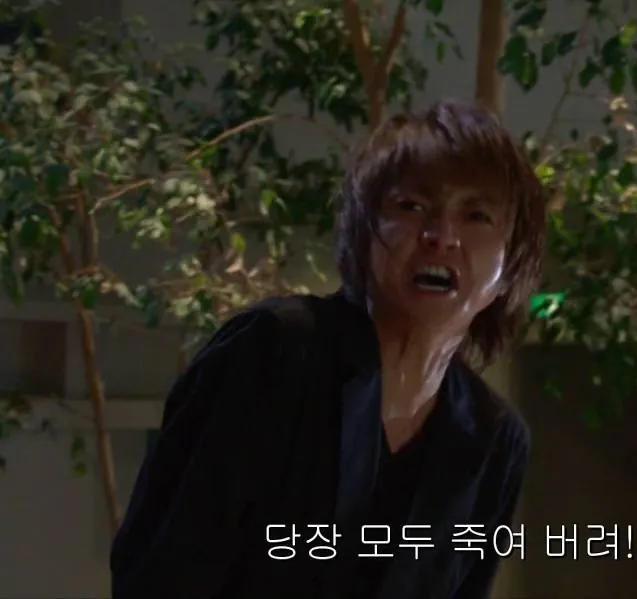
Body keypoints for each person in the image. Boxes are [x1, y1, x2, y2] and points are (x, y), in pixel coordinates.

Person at [109, 98, 547, 599]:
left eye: (476, 215)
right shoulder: (274, 352)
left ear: (510, 267)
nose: (440, 235)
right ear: (364, 232)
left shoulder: (494, 439)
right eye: (411, 206)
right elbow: (161, 573)